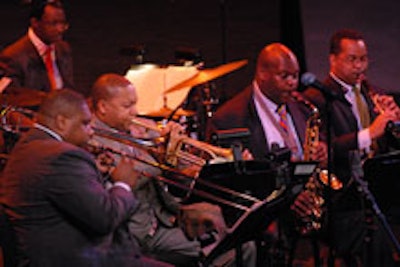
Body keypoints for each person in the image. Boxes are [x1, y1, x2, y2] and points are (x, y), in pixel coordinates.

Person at [89, 73, 257, 267]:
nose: (135, 112)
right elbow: (129, 176)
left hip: (168, 218)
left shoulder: (142, 128)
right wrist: (162, 156)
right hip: (135, 233)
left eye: (135, 104)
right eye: (127, 106)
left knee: (242, 245)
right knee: (232, 251)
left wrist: (187, 149)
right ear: (103, 107)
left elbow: (183, 168)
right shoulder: (93, 139)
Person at [0, 89, 171, 267]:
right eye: (86, 124)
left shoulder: (29, 146)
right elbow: (105, 219)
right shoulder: (62, 156)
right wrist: (123, 184)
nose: (91, 132)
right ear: (61, 122)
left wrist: (102, 176)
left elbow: (71, 196)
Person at [207, 43, 328, 266]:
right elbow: (231, 183)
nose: (293, 83)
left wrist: (320, 149)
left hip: (304, 200)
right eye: (285, 76)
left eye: (295, 76)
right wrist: (285, 197)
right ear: (262, 73)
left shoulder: (300, 106)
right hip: (265, 213)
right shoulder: (229, 118)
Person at [303, 29, 400, 266]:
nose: (360, 66)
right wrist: (370, 133)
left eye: (363, 59)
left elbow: (387, 144)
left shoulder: (369, 92)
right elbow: (326, 149)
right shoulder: (315, 98)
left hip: (377, 188)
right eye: (352, 59)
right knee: (378, 234)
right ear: (333, 59)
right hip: (342, 197)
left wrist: (393, 121)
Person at [0, 0, 73, 92]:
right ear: (35, 23)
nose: (60, 29)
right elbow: (13, 100)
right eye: (54, 23)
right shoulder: (13, 57)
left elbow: (69, 87)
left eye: (63, 23)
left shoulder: (62, 48)